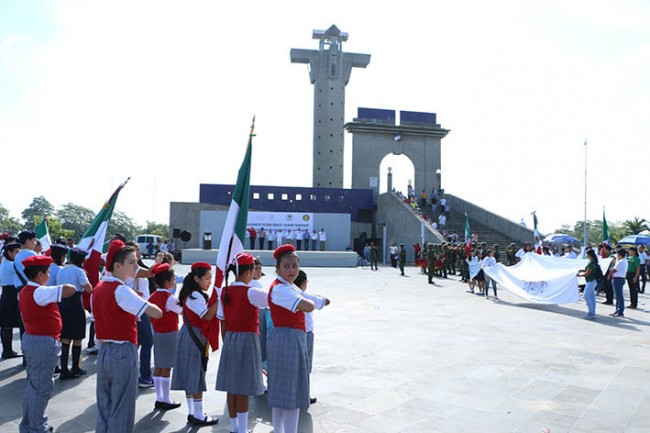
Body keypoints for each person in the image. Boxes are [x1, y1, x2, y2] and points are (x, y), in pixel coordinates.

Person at [92, 241, 163, 433]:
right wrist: (141, 299)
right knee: (122, 407)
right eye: (132, 262)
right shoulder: (121, 290)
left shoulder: (98, 287)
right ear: (117, 265)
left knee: (105, 405)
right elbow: (156, 312)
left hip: (105, 349)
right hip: (122, 349)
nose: (136, 266)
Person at [18, 255, 77, 433]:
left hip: (32, 338)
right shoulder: (40, 292)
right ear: (40, 275)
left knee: (33, 386)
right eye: (48, 272)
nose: (50, 275)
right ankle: (37, 427)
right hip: (43, 341)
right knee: (41, 388)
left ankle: (29, 425)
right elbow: (71, 289)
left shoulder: (24, 291)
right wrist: (53, 288)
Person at [266, 244, 317, 433]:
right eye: (286, 266)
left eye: (295, 266)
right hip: (287, 339)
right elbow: (308, 306)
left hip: (289, 338)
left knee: (282, 392)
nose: (292, 270)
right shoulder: (281, 289)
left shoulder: (287, 286)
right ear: (278, 268)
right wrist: (310, 301)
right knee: (291, 394)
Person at [216, 253, 269, 433]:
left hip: (230, 339)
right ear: (250, 272)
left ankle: (234, 427)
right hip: (248, 340)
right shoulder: (252, 292)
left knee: (232, 387)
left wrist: (227, 343)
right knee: (244, 387)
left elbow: (222, 321)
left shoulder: (224, 292)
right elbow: (273, 299)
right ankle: (243, 429)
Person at [171, 262, 220, 426]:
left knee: (191, 375)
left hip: (190, 336)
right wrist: (218, 300)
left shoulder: (191, 294)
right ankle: (197, 414)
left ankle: (193, 411)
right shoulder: (195, 296)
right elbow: (206, 316)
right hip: (194, 338)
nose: (210, 282)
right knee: (195, 375)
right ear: (197, 279)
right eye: (207, 278)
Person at [148, 262, 183, 411]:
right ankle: (166, 398)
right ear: (167, 282)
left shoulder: (153, 296)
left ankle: (159, 397)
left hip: (157, 332)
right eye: (173, 278)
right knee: (167, 366)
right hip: (169, 333)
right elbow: (182, 310)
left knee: (159, 365)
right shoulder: (169, 298)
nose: (174, 281)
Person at [293, 270, 330, 405]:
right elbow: (326, 301)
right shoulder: (306, 296)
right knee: (305, 366)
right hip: (306, 333)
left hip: (292, 334)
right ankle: (303, 395)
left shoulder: (288, 292)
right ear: (303, 283)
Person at [56, 247, 93, 379]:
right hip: (76, 304)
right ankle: (76, 368)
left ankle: (64, 369)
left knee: (65, 337)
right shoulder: (79, 271)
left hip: (63, 303)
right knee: (77, 338)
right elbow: (88, 288)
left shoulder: (62, 270)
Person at [0, 242, 22, 358]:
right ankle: (7, 351)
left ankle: (7, 350)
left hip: (6, 293)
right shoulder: (11, 265)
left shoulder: (4, 263)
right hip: (11, 294)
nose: (18, 254)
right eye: (16, 252)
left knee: (6, 325)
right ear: (9, 253)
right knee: (8, 324)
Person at [577, 249, 599, 319]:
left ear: (589, 255)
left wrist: (579, 275)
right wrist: (582, 270)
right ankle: (592, 312)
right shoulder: (592, 261)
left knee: (586, 296)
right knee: (592, 297)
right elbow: (588, 270)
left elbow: (588, 273)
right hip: (592, 281)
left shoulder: (591, 262)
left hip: (591, 281)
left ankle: (591, 312)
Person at [608, 248, 628, 317]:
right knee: (617, 296)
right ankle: (617, 310)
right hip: (619, 278)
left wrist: (611, 268)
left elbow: (613, 270)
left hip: (618, 279)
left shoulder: (621, 261)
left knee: (619, 296)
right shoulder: (622, 261)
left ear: (619, 254)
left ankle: (620, 311)